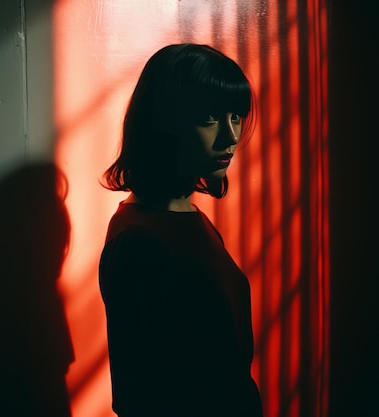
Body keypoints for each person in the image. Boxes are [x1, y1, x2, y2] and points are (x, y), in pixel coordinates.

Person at [99, 44, 262, 417]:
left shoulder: (190, 217)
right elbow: (139, 395)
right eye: (209, 117)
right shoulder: (139, 239)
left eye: (236, 116)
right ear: (163, 122)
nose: (231, 135)